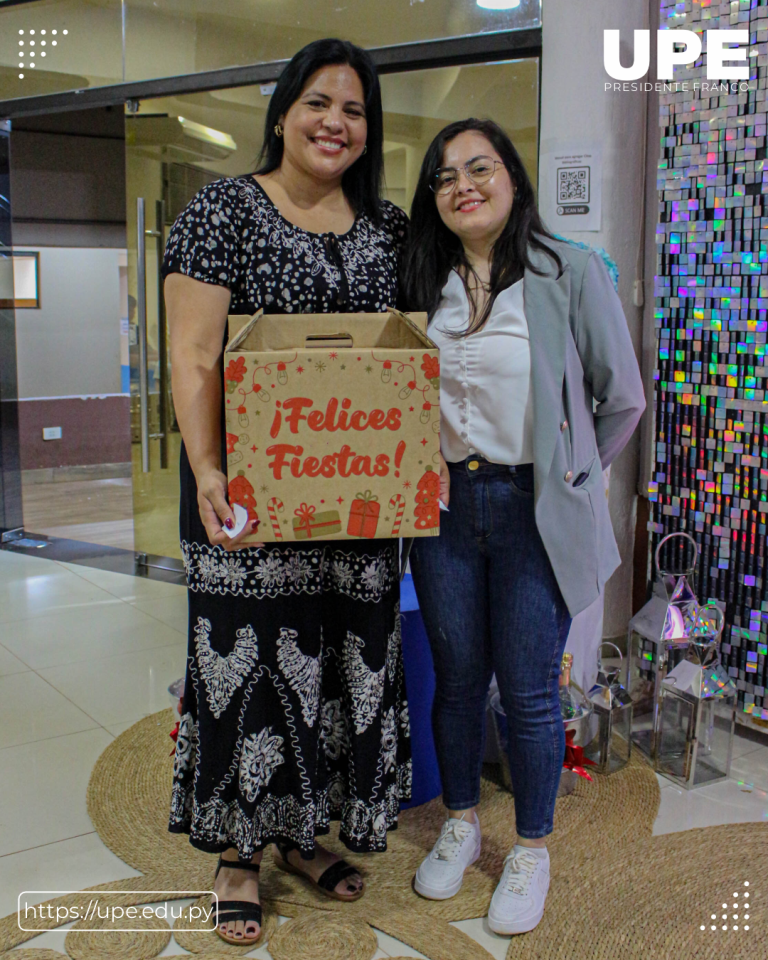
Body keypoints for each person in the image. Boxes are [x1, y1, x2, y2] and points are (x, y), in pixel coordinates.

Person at [162, 38, 411, 947]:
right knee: (250, 667)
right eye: (318, 103)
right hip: (251, 503)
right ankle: (237, 854)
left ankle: (303, 836)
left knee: (340, 670)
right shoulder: (223, 211)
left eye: (352, 109)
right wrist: (205, 469)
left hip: (358, 509)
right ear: (282, 112)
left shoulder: (386, 229)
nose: (334, 123)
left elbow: (410, 361)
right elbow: (192, 355)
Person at [401, 118, 645, 935]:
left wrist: (575, 473)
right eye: (445, 177)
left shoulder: (568, 271)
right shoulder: (421, 279)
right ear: (433, 199)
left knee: (532, 690)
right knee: (458, 677)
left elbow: (623, 397)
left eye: (479, 168)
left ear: (512, 178)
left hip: (528, 507)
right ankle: (464, 824)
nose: (462, 185)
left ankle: (532, 846)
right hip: (441, 508)